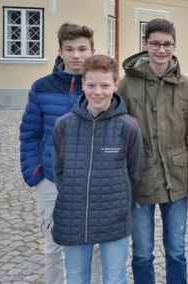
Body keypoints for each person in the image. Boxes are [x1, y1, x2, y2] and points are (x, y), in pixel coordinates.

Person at [118, 18, 188, 284]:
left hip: (177, 180)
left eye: (167, 44)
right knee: (142, 253)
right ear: (145, 45)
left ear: (174, 46)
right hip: (140, 179)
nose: (161, 50)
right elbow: (119, 134)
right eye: (155, 43)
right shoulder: (127, 85)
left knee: (176, 251)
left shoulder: (187, 86)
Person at [19, 23, 102, 283]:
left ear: (92, 50)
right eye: (70, 49)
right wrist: (35, 173)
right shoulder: (42, 87)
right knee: (54, 247)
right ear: (60, 51)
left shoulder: (100, 87)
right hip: (51, 180)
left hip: (91, 181)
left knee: (95, 246)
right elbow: (30, 133)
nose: (76, 55)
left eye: (82, 49)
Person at [52, 55, 143, 284]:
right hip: (73, 216)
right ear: (83, 85)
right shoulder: (64, 125)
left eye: (105, 85)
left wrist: (121, 201)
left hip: (114, 216)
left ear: (115, 85)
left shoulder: (128, 126)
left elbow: (134, 171)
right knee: (75, 278)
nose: (98, 92)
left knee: (114, 278)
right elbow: (59, 170)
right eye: (91, 85)